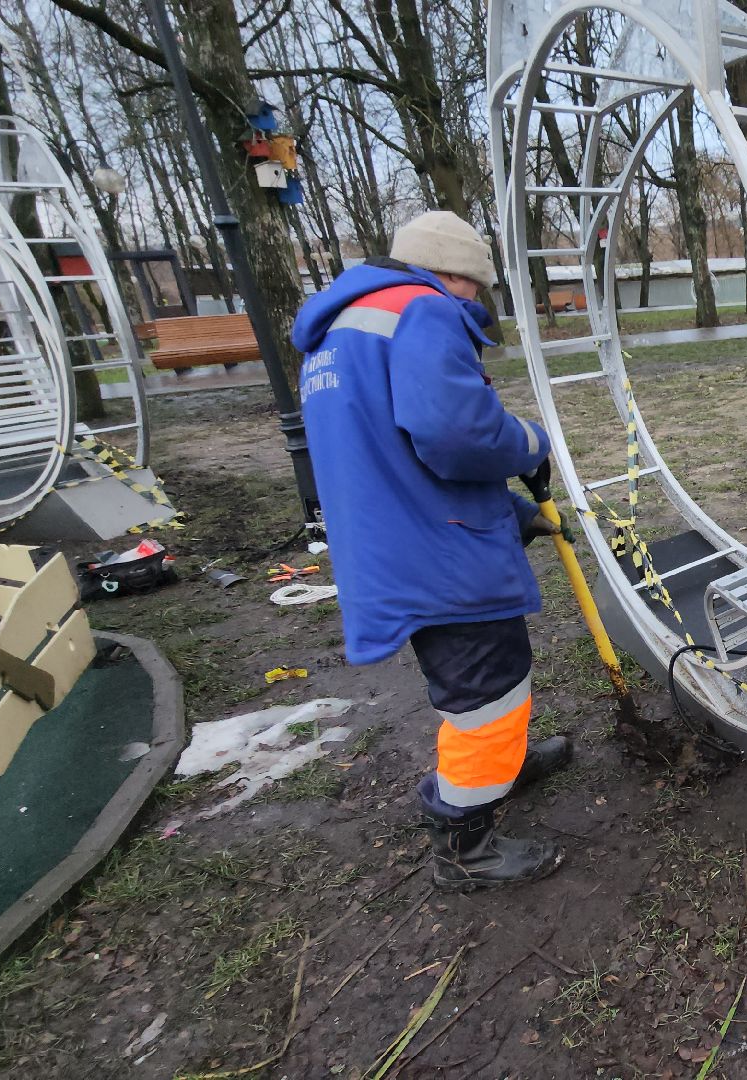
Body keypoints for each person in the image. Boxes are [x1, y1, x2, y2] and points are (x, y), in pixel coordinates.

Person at [292, 210, 571, 890]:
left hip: (395, 547)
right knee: (488, 689)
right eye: (476, 287)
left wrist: (510, 512)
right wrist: (531, 442)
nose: (475, 302)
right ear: (458, 274)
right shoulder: (422, 311)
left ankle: (498, 767)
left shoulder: (343, 329)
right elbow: (457, 436)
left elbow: (389, 456)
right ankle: (464, 843)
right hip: (438, 559)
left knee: (476, 683)